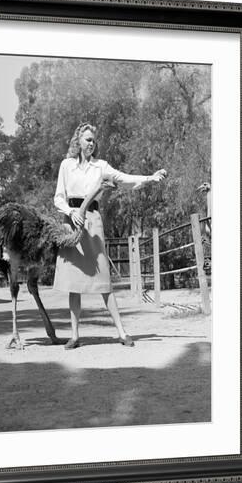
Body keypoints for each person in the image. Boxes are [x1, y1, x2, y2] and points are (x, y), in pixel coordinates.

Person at [53, 122, 166, 350]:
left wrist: (150, 178)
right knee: (74, 284)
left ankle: (121, 332)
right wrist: (70, 212)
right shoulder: (66, 166)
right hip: (71, 223)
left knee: (104, 281)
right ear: (78, 141)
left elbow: (124, 178)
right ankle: (74, 336)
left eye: (93, 140)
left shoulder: (101, 167)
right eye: (87, 139)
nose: (91, 144)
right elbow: (58, 198)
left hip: (93, 222)